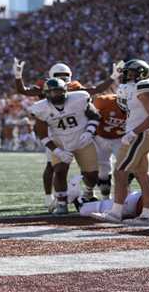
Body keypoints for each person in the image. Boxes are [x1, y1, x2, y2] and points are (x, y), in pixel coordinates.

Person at [13, 58, 114, 207]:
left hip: (77, 131)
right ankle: (51, 197)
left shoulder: (75, 89)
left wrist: (113, 78)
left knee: (90, 168)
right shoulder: (46, 87)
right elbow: (24, 91)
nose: (63, 78)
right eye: (59, 74)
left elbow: (95, 91)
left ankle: (87, 192)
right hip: (54, 133)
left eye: (66, 74)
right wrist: (18, 77)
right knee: (53, 166)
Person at [92, 59, 149, 225]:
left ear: (141, 73)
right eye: (126, 73)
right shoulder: (131, 88)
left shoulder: (144, 85)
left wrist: (133, 133)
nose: (127, 76)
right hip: (142, 134)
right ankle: (145, 215)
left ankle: (115, 213)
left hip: (140, 134)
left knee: (120, 172)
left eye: (130, 73)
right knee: (143, 176)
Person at [30, 78, 100, 215]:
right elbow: (42, 134)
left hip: (82, 140)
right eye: (52, 92)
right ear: (46, 93)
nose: (56, 95)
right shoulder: (41, 108)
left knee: (92, 176)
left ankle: (87, 192)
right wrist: (57, 151)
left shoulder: (79, 98)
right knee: (59, 170)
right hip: (60, 142)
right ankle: (62, 203)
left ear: (65, 91)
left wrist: (89, 131)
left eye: (59, 91)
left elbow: (95, 115)